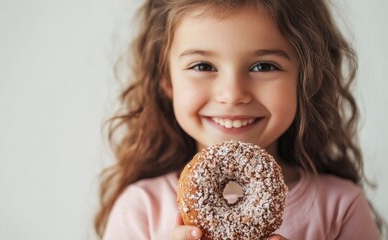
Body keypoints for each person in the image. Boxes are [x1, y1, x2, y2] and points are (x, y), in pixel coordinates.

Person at [95, 0, 384, 239]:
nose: (233, 94)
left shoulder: (340, 208)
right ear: (165, 79)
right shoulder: (140, 208)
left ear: (306, 79)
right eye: (203, 65)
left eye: (263, 66)